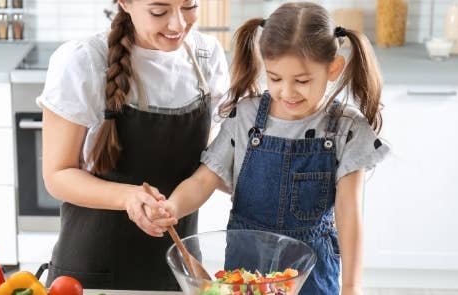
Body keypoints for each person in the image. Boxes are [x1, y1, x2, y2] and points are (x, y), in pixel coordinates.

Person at [147, 2, 390, 294]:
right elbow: (204, 179)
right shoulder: (246, 116)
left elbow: (348, 213)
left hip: (310, 274)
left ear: (334, 68)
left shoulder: (346, 128)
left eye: (302, 81)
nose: (287, 92)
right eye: (275, 78)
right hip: (245, 267)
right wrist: (172, 206)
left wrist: (352, 287)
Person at [36, 0, 229, 291]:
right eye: (159, 11)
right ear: (125, 3)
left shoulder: (206, 56)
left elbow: (210, 157)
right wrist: (128, 197)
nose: (178, 25)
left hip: (179, 270)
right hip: (92, 272)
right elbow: (57, 175)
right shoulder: (84, 61)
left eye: (189, 6)